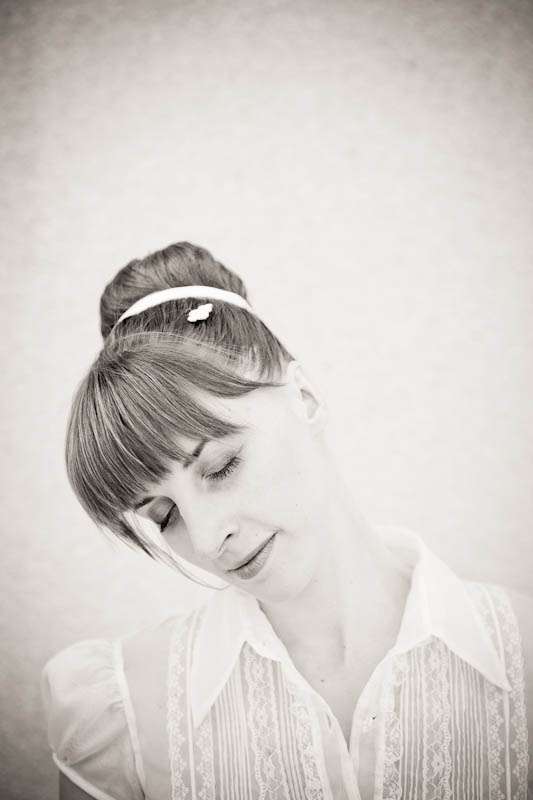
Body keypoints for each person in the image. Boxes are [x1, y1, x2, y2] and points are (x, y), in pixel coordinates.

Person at [42, 242, 533, 800]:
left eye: (221, 466)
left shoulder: (521, 651)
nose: (207, 538)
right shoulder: (121, 715)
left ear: (304, 396)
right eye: (165, 515)